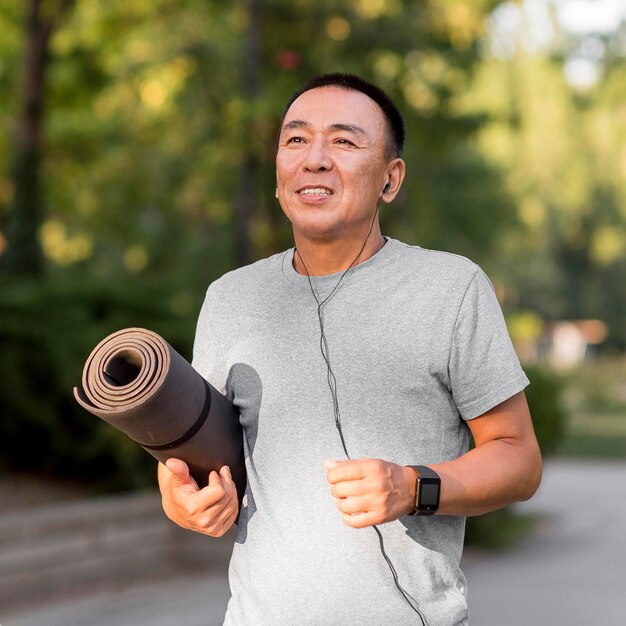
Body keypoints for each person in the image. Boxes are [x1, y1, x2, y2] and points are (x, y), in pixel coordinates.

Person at [158, 73, 542, 626]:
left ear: (391, 179)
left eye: (343, 140)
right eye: (295, 140)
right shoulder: (231, 298)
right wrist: (180, 499)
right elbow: (195, 458)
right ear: (277, 172)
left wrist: (414, 486)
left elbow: (519, 460)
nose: (314, 159)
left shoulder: (451, 288)